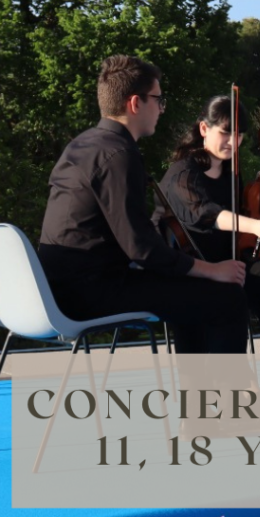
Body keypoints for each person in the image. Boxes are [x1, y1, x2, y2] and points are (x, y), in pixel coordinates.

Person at [38, 55, 249, 353]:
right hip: (89, 292)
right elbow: (142, 249)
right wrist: (211, 269)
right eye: (158, 100)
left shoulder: (82, 144)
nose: (161, 109)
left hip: (57, 288)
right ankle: (225, 398)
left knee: (187, 292)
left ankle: (199, 392)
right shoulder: (119, 155)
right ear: (135, 103)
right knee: (226, 297)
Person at [155, 95, 260, 354]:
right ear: (203, 129)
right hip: (191, 270)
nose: (234, 142)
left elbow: (240, 212)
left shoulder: (231, 172)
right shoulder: (182, 173)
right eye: (226, 133)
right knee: (228, 296)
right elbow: (204, 212)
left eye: (240, 135)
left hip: (228, 264)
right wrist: (255, 227)